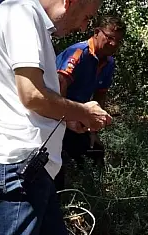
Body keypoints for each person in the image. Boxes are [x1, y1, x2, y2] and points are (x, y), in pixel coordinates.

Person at [0, 0, 111, 235]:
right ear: (69, 2)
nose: (83, 27)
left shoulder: (25, 18)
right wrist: (82, 111)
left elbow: (23, 100)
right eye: (86, 17)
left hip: (31, 166)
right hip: (18, 161)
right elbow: (32, 95)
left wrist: (68, 120)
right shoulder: (21, 13)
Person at [54, 15, 127, 189]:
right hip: (55, 115)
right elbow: (59, 86)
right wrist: (64, 121)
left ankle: (93, 194)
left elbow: (100, 95)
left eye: (118, 41)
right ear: (96, 32)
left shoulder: (109, 63)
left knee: (95, 152)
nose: (113, 44)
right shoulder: (79, 53)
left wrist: (94, 129)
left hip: (78, 117)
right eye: (109, 38)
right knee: (56, 166)